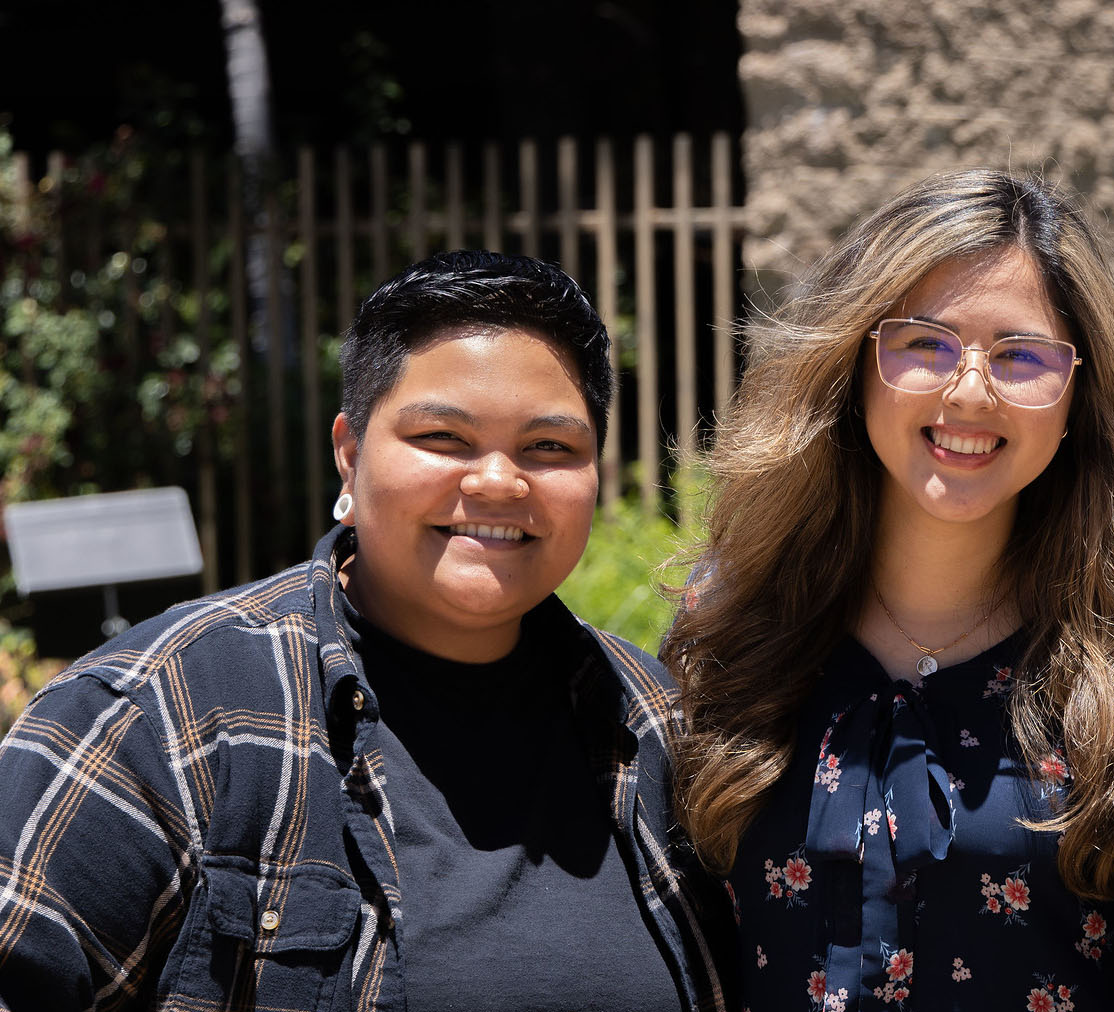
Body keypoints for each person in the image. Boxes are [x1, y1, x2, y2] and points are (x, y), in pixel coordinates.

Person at [0, 251, 732, 1011]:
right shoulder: (164, 716)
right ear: (350, 457)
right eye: (443, 438)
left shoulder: (658, 727)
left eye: (550, 447)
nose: (497, 482)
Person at [662, 168, 1114, 1011]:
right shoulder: (737, 620)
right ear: (857, 366)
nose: (968, 390)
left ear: (1078, 391)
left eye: (1022, 355)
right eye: (923, 343)